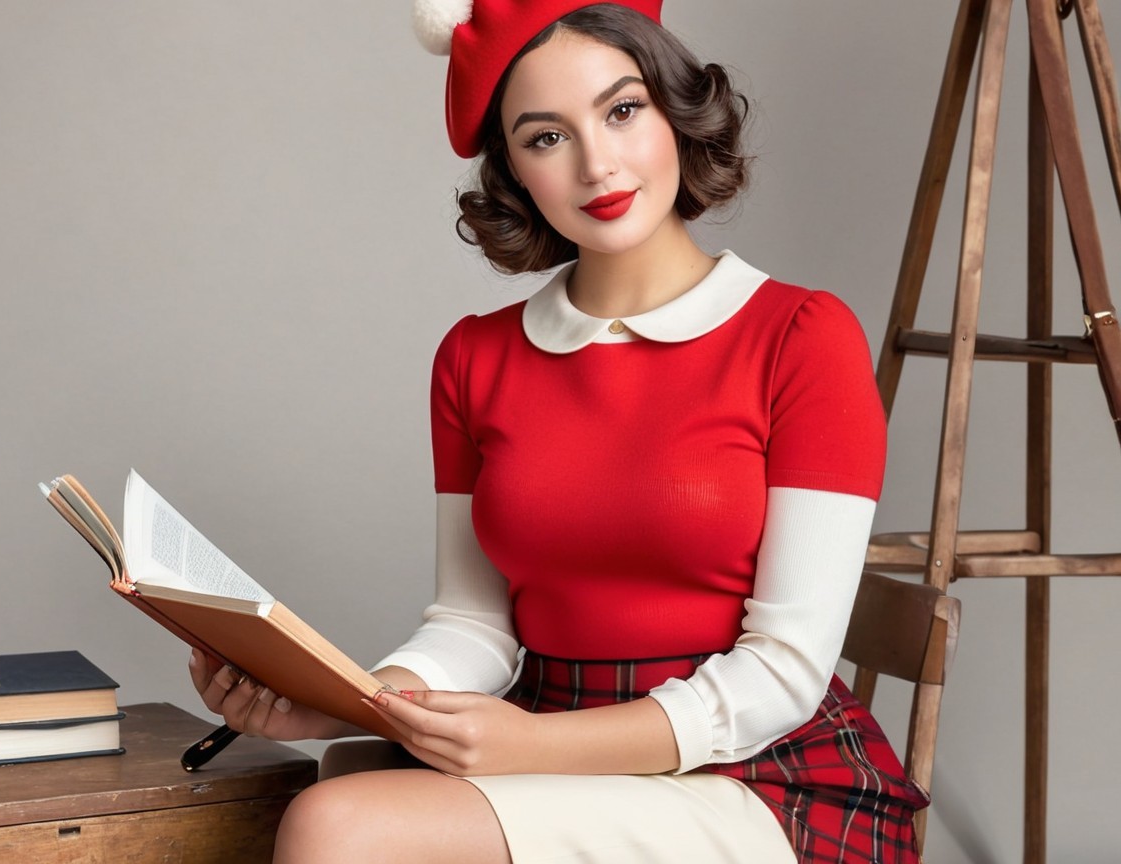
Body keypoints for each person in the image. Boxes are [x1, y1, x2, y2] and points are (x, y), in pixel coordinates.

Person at [189, 1, 930, 861]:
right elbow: (473, 624)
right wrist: (345, 703)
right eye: (546, 137)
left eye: (622, 111)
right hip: (546, 736)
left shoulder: (802, 336)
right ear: (514, 170)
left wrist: (535, 746)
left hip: (752, 772)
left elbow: (786, 671)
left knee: (341, 822)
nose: (596, 163)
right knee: (350, 773)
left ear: (675, 110)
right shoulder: (475, 357)